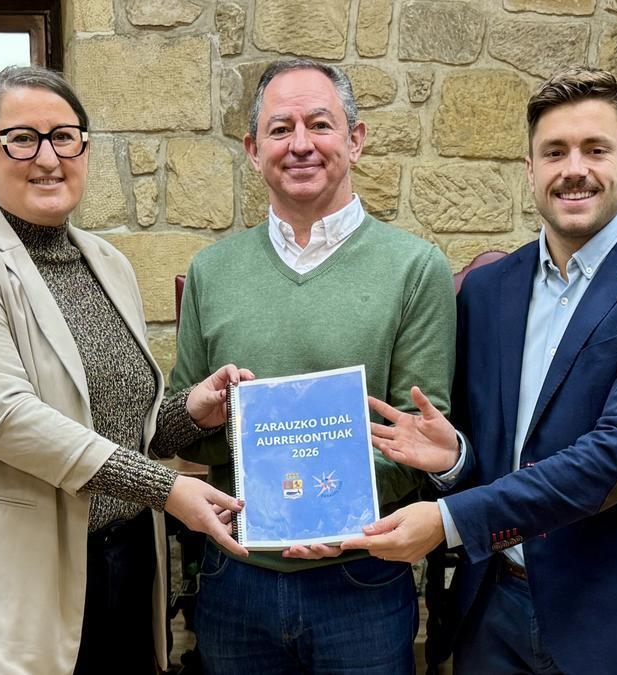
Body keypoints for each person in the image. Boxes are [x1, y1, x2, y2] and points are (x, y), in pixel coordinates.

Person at [343, 66, 617, 674]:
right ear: (530, 170)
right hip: (491, 611)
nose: (573, 168)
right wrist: (454, 462)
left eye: (595, 149)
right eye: (554, 152)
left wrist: (448, 521)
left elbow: (614, 459)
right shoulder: (487, 291)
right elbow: (495, 459)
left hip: (614, 620)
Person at [0, 65, 250, 675]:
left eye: (64, 136)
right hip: (4, 576)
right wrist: (168, 489)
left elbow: (116, 425)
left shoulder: (107, 262)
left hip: (121, 566)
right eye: (22, 138)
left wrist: (189, 412)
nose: (48, 158)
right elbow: (5, 419)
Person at [170, 58, 456, 674]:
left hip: (360, 578)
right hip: (235, 577)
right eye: (279, 129)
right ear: (252, 149)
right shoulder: (211, 272)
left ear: (354, 139)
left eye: (319, 124)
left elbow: (418, 431)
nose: (300, 144)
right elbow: (176, 428)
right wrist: (203, 413)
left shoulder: (415, 269)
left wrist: (333, 515)